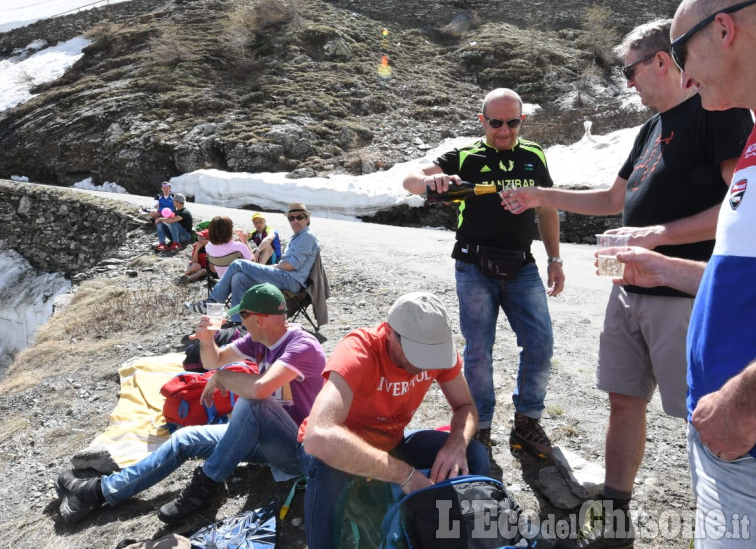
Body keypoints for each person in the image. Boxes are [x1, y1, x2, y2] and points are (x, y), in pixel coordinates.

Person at [499, 21, 753, 548]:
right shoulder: (651, 128)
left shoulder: (718, 113)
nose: (628, 83)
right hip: (626, 289)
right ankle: (615, 517)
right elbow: (613, 199)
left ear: (663, 61)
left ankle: (723, 524)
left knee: (703, 414)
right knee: (622, 399)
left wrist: (661, 235)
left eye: (631, 70)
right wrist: (542, 196)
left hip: (682, 292)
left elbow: (738, 206)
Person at [654, 0, 756, 547]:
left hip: (753, 441)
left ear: (723, 29)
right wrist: (664, 267)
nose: (685, 77)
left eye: (680, 53)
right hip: (736, 443)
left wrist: (745, 403)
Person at [55, 283, 326, 526]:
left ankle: (205, 487)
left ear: (259, 318)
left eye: (243, 317)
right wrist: (208, 341)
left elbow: (259, 389)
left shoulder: (301, 346)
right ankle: (98, 492)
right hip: (265, 439)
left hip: (297, 449)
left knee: (253, 402)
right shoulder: (260, 341)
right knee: (184, 438)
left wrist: (222, 377)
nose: (241, 324)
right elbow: (213, 361)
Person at [403, 88, 564, 459]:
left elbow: (548, 208)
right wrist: (431, 183)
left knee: (540, 345)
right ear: (482, 121)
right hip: (474, 267)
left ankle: (526, 422)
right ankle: (481, 426)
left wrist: (555, 259)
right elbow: (410, 178)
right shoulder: (465, 157)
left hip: (523, 266)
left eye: (512, 122)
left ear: (522, 120)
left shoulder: (534, 156)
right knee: (479, 353)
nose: (504, 130)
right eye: (496, 122)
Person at [298, 292, 490, 549]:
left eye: (431, 354)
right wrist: (405, 475)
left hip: (391, 444)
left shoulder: (438, 352)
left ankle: (448, 533)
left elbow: (465, 406)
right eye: (416, 354)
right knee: (326, 464)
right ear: (389, 332)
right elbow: (318, 437)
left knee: (473, 454)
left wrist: (456, 443)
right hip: (339, 453)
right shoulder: (360, 351)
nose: (425, 365)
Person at [184, 203, 320, 323]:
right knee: (238, 278)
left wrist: (266, 267)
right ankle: (238, 323)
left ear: (307, 219)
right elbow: (254, 261)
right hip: (284, 276)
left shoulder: (307, 236)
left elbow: (291, 265)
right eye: (291, 218)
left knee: (238, 264)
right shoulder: (297, 237)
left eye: (299, 217)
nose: (294, 220)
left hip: (291, 280)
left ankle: (212, 302)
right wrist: (262, 265)